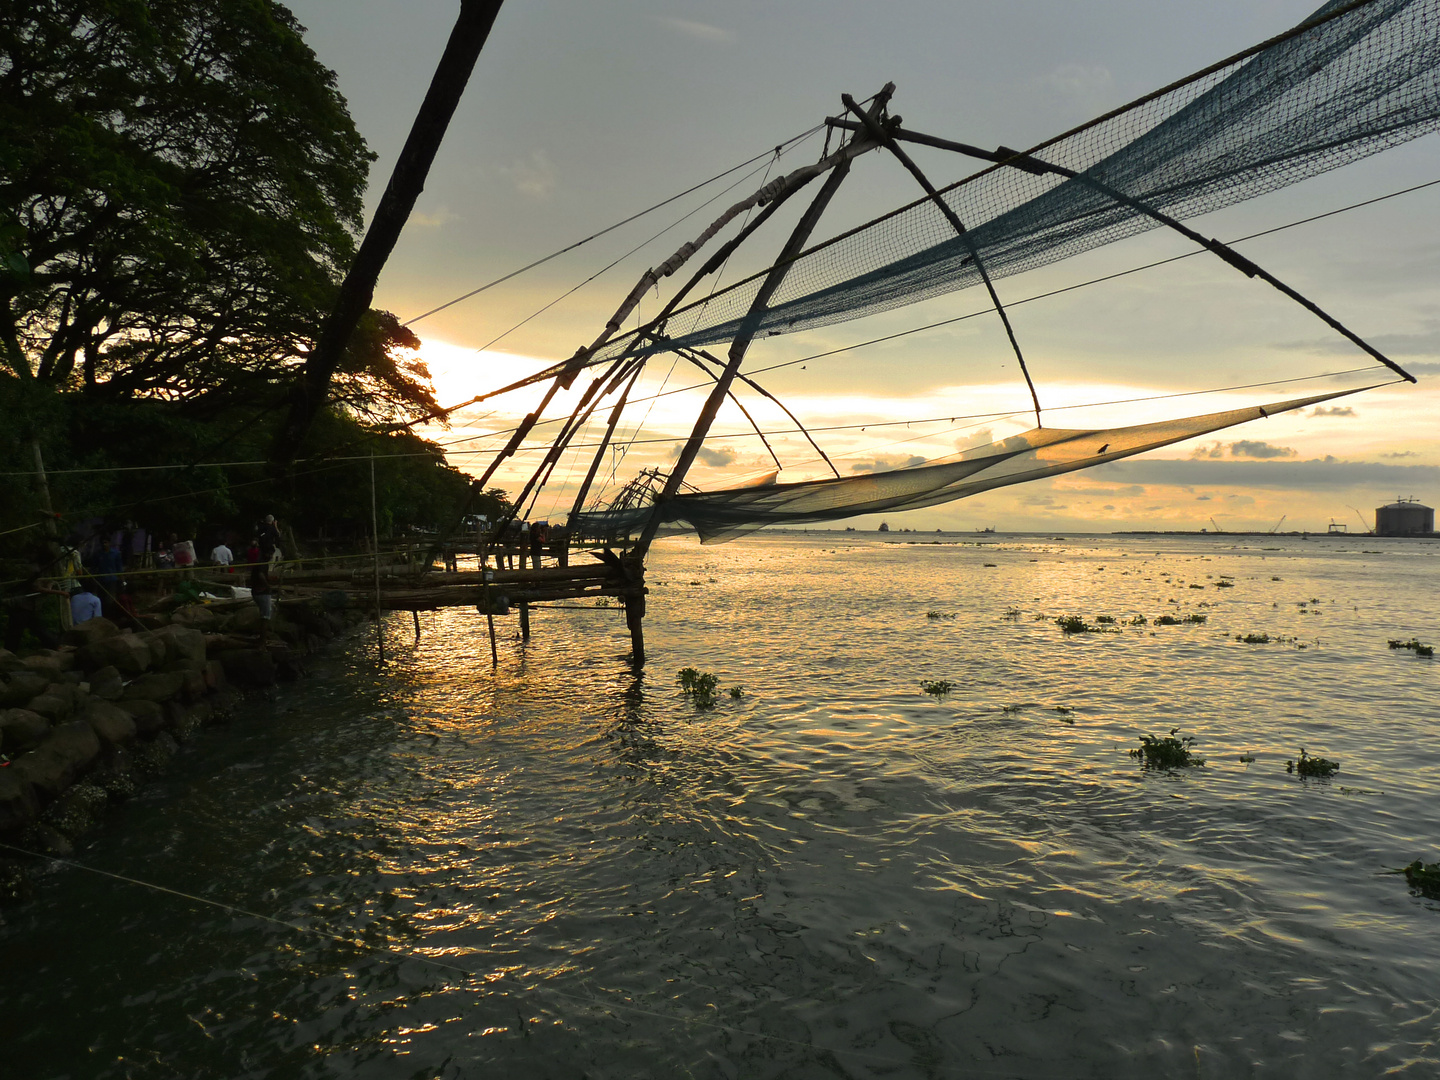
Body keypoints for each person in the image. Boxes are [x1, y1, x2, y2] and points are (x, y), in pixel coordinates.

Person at [246, 538, 273, 642]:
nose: (271, 556)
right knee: (265, 617)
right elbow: (260, 574)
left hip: (257, 591)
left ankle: (262, 637)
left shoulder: (259, 562)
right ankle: (262, 641)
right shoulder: (262, 562)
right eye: (270, 554)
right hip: (262, 592)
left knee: (264, 615)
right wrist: (267, 585)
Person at [92, 536, 125, 614]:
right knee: (101, 599)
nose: (104, 544)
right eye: (102, 543)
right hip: (101, 580)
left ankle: (110, 615)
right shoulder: (98, 554)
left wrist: (123, 580)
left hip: (112, 580)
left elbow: (119, 568)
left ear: (109, 543)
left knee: (110, 599)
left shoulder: (116, 553)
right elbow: (94, 567)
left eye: (106, 542)